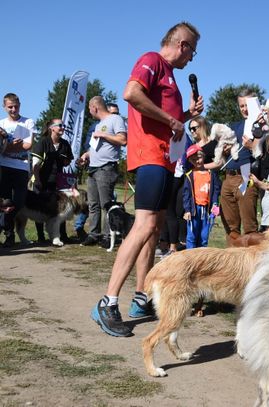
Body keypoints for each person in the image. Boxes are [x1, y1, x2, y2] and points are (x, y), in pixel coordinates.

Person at [91, 21, 203, 337]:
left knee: (153, 229)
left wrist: (186, 117)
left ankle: (141, 297)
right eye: (192, 50)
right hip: (150, 157)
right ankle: (107, 302)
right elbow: (131, 93)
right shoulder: (153, 60)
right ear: (182, 45)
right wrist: (172, 119)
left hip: (165, 160)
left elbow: (169, 122)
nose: (192, 58)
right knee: (143, 227)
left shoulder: (171, 78)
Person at [79, 96, 127, 247]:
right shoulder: (98, 124)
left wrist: (104, 134)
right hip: (93, 168)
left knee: (107, 204)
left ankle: (108, 236)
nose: (89, 112)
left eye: (89, 109)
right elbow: (95, 147)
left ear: (95, 107)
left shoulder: (115, 119)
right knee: (93, 204)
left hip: (106, 167)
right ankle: (94, 234)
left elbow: (123, 140)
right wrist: (86, 155)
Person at [220, 88, 259, 240]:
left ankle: (252, 261)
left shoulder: (262, 125)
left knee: (249, 227)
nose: (244, 109)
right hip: (228, 177)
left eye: (247, 105)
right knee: (230, 228)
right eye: (241, 105)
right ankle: (232, 261)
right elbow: (223, 152)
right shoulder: (234, 126)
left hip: (246, 175)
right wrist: (224, 149)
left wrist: (253, 145)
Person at [0, 93, 35, 247]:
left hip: (21, 166)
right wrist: (12, 147)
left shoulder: (28, 122)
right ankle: (9, 235)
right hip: (4, 167)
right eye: (10, 107)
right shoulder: (1, 124)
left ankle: (4, 226)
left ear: (20, 105)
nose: (13, 110)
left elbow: (28, 145)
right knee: (5, 202)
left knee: (19, 202)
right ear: (4, 107)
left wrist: (8, 147)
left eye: (16, 106)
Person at [31, 119, 74, 242]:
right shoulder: (42, 143)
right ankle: (41, 236)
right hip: (42, 180)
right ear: (51, 128)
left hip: (59, 181)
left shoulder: (65, 144)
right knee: (40, 208)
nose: (62, 127)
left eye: (63, 125)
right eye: (60, 125)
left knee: (61, 208)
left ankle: (62, 235)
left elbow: (67, 162)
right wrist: (37, 180)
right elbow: (35, 165)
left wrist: (66, 160)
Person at [183, 144, 221, 248]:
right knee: (192, 236)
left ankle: (202, 259)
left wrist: (214, 204)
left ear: (203, 156)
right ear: (190, 161)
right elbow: (186, 195)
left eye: (199, 158)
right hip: (193, 210)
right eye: (194, 160)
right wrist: (187, 210)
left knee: (204, 237)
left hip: (207, 211)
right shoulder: (190, 175)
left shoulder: (211, 174)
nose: (197, 161)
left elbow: (215, 191)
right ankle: (190, 259)